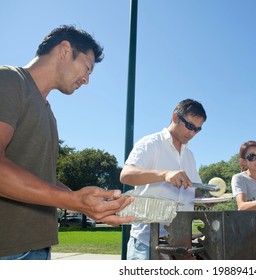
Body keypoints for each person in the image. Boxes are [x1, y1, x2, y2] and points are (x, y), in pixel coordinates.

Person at [0, 25, 134, 260]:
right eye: (87, 68)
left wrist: (84, 201)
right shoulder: (9, 79)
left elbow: (42, 180)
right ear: (64, 50)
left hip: (36, 247)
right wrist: (72, 200)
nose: (86, 79)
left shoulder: (48, 111)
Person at [120, 99, 207, 260]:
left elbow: (194, 190)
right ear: (175, 117)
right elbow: (126, 175)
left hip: (180, 243)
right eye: (190, 126)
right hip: (147, 243)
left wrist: (208, 198)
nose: (192, 133)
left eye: (197, 130)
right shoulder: (151, 143)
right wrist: (164, 174)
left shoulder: (189, 155)